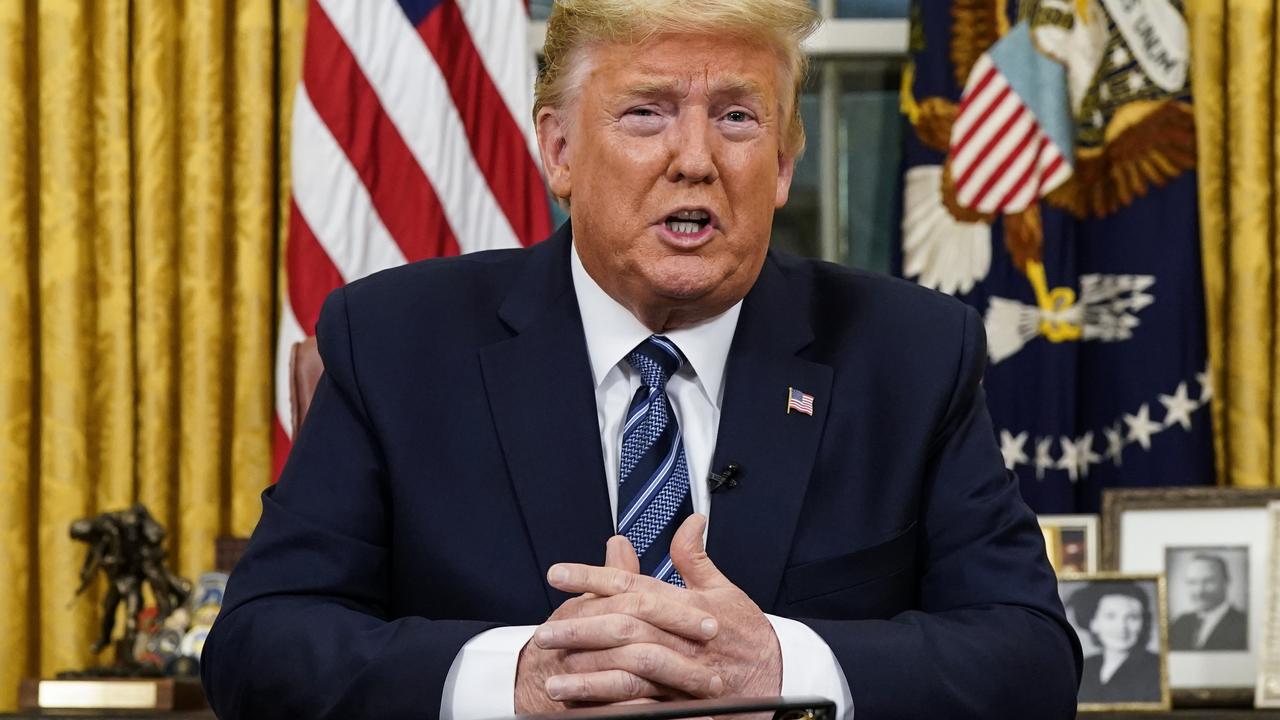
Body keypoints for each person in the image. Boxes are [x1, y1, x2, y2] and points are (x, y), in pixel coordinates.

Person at [200, 1, 1082, 717]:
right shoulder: (395, 340)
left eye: (737, 117)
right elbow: (259, 647)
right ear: (559, 151)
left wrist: (780, 664)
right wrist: (520, 677)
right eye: (645, 112)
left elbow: (1030, 656)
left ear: (783, 163)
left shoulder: (909, 352)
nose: (694, 159)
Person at [1070, 583, 1162, 704]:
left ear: (1144, 623)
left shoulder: (1157, 667)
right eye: (1111, 616)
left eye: (1132, 617)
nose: (1121, 627)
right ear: (1093, 622)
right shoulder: (1084, 667)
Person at [1169, 554, 1247, 651]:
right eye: (1192, 582)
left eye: (1208, 581)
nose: (1199, 591)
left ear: (1226, 582)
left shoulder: (1244, 626)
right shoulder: (1180, 623)